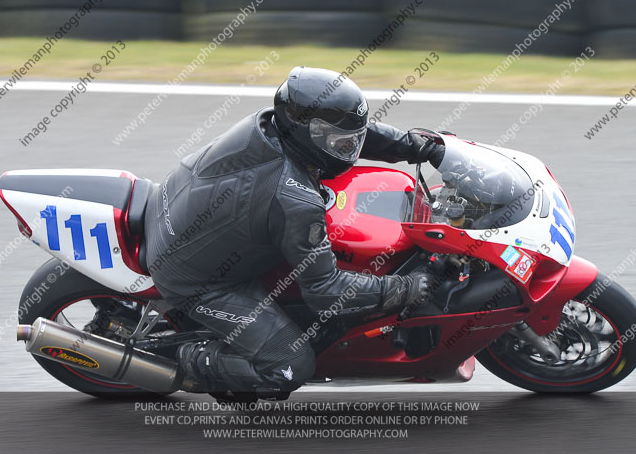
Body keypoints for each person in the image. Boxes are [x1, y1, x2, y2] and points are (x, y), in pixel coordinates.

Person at [143, 66, 445, 397]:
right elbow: (327, 291)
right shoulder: (294, 199)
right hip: (198, 280)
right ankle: (185, 360)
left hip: (178, 206)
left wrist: (417, 147)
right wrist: (406, 287)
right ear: (305, 131)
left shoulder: (271, 124)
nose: (350, 150)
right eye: (340, 143)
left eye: (351, 140)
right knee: (289, 367)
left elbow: (352, 132)